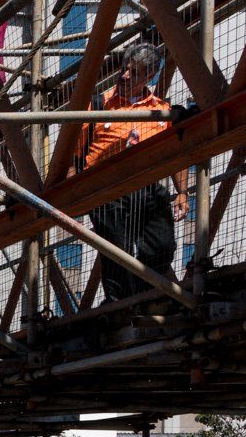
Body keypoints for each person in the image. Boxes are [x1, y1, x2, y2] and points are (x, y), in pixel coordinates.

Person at [80, 42, 189, 301]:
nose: (126, 76)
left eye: (135, 72)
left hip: (147, 188)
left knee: (162, 245)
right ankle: (119, 302)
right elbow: (76, 155)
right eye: (125, 69)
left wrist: (182, 192)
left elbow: (174, 154)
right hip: (106, 189)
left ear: (149, 76)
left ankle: (140, 294)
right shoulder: (99, 104)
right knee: (118, 248)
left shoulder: (161, 110)